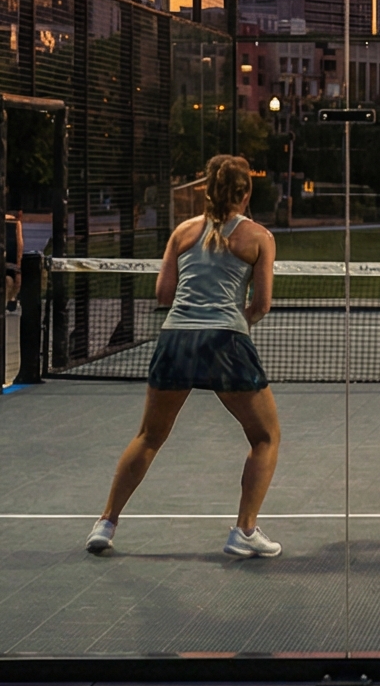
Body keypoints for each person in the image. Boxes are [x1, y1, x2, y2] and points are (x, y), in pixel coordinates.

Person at [87, 153, 284, 560]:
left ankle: (105, 524)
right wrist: (237, 321)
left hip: (175, 340)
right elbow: (262, 304)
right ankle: (244, 531)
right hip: (226, 342)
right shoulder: (259, 237)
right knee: (266, 437)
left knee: (149, 436)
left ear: (206, 191)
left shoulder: (182, 232)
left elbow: (164, 294)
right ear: (245, 194)